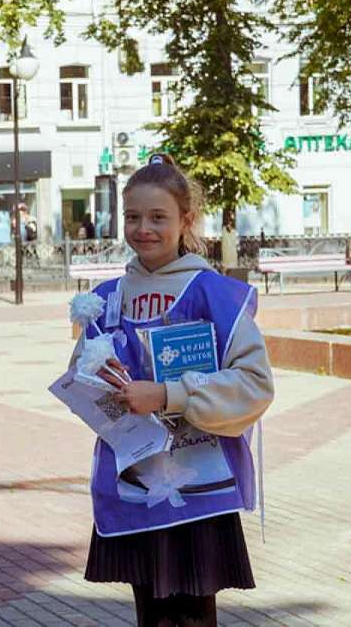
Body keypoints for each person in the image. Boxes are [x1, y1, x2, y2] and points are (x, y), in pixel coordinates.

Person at [73, 153, 274, 627]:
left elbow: (255, 384)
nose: (144, 228)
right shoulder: (105, 299)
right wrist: (97, 385)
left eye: (158, 217)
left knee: (192, 617)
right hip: (135, 480)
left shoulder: (214, 294)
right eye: (133, 217)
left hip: (199, 488)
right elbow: (83, 383)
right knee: (152, 616)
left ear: (186, 220)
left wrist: (166, 396)